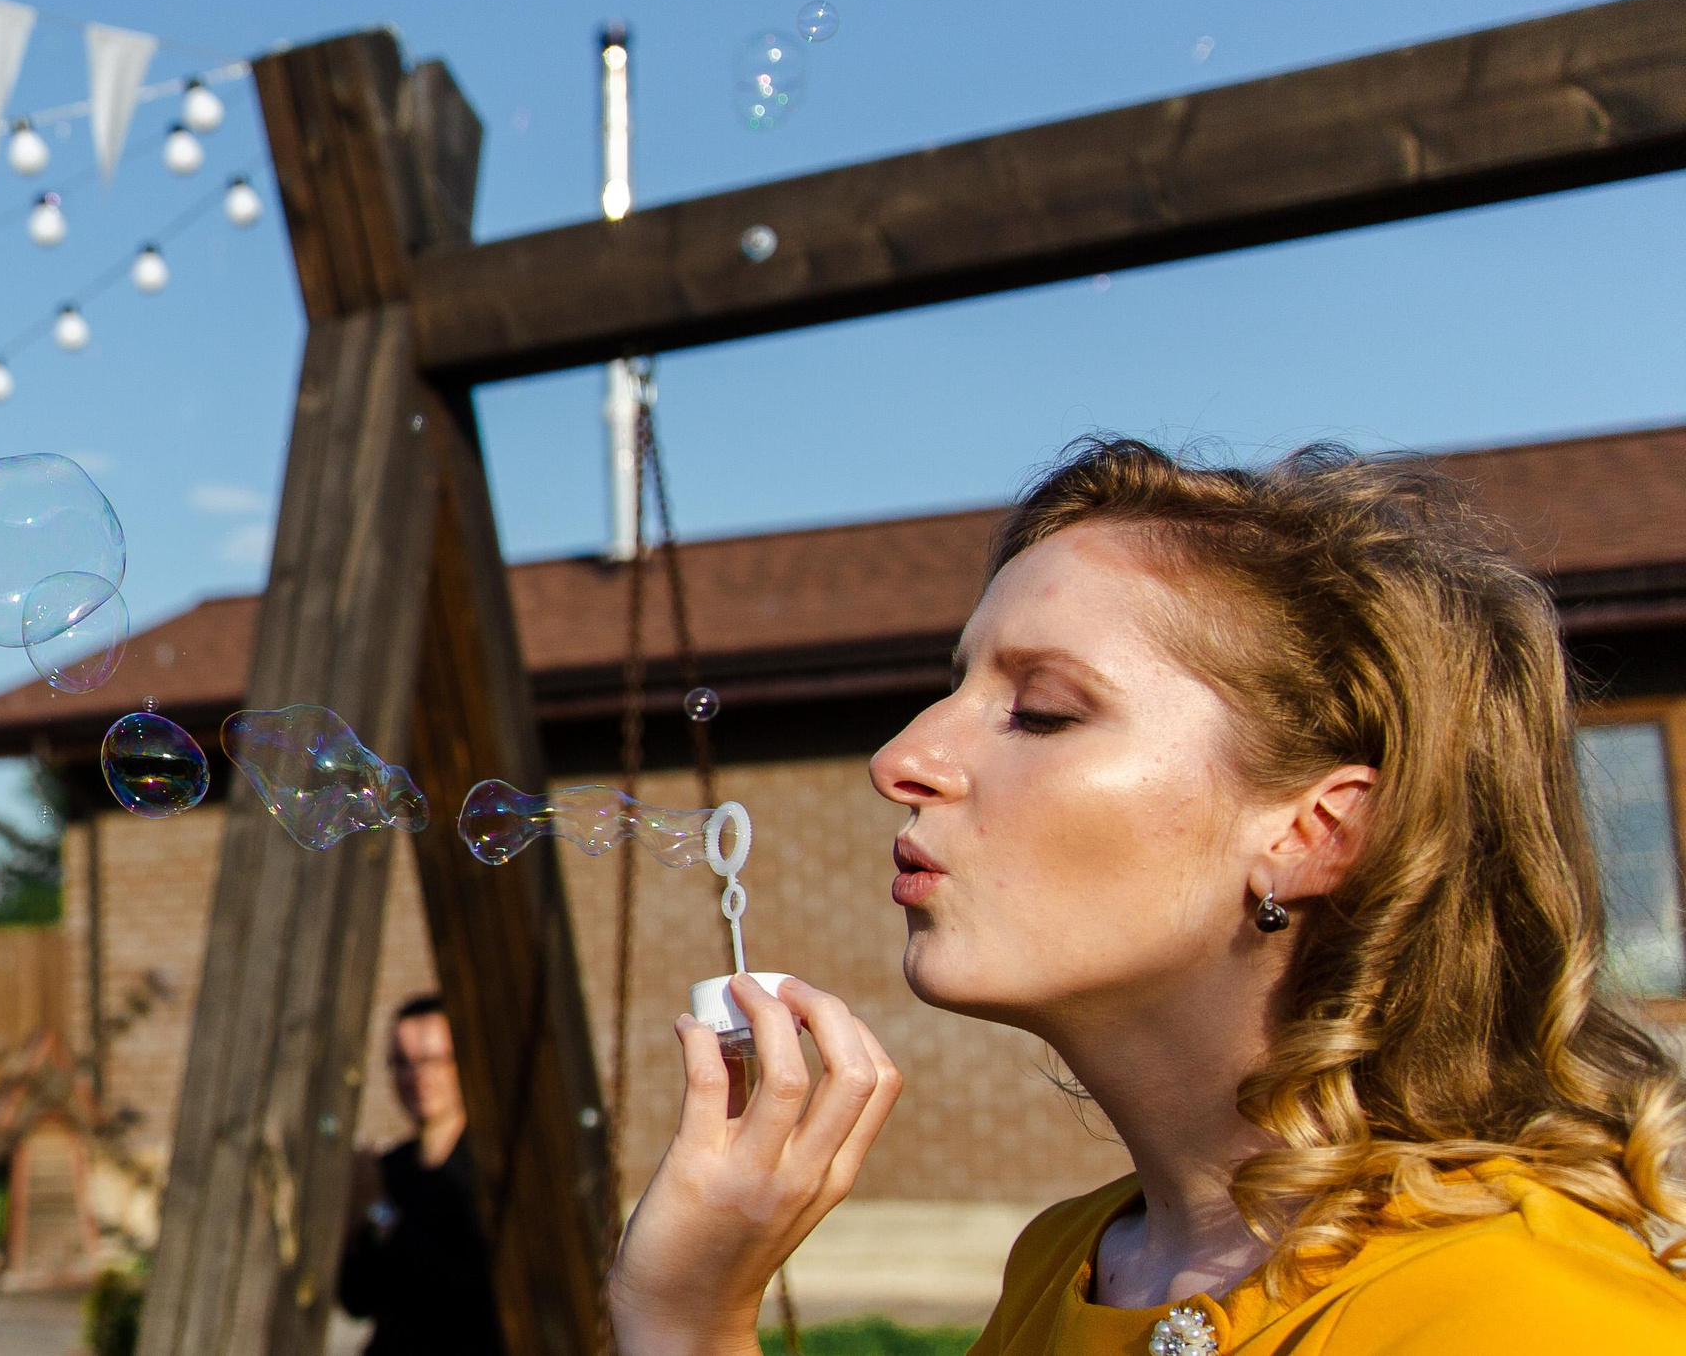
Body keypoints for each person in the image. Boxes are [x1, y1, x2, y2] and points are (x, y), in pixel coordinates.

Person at [609, 440, 1686, 1354]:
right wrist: (688, 1313)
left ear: (1317, 833)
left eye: (1039, 711)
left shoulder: (1532, 1316)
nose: (901, 757)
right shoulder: (1071, 1265)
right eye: (953, 688)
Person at [339, 994, 505, 1356]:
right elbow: (357, 1300)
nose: (416, 1077)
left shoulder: (490, 1168)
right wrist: (351, 1231)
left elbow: (466, 1294)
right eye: (402, 1063)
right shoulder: (391, 1168)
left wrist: (379, 1213)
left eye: (430, 1061)